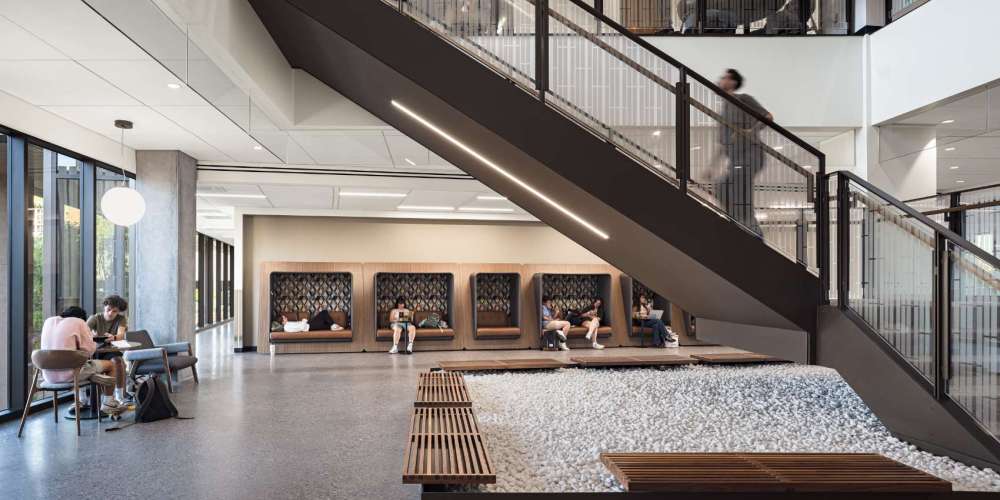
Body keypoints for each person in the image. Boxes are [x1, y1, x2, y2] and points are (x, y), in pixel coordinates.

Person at [715, 68, 773, 235]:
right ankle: (739, 225)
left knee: (740, 192)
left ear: (733, 82)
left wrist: (751, 131)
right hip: (735, 159)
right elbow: (722, 144)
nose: (721, 80)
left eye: (724, 78)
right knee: (721, 186)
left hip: (751, 153)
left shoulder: (743, 99)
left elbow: (768, 116)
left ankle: (752, 233)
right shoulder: (723, 111)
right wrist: (712, 166)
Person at [41, 306, 125, 414]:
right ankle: (108, 403)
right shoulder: (79, 322)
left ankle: (82, 400)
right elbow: (88, 351)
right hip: (71, 375)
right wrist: (91, 341)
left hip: (48, 376)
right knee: (111, 365)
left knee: (78, 362)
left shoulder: (49, 321)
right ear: (82, 318)